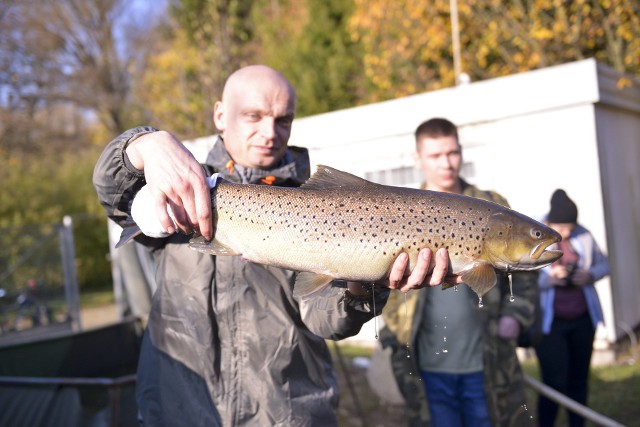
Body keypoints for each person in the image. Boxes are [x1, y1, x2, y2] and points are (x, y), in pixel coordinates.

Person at [93, 65, 460, 426]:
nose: (270, 132)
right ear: (220, 115)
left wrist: (366, 284)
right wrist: (145, 143)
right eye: (254, 116)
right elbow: (111, 190)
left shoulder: (327, 205)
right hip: (179, 410)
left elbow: (323, 317)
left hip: (286, 415)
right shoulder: (181, 186)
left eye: (283, 120)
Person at [381, 117, 539, 427]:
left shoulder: (493, 206)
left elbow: (526, 273)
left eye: (452, 153)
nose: (446, 163)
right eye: (436, 155)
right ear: (418, 158)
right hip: (425, 362)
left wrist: (515, 315)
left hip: (487, 359)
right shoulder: (402, 208)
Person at [534, 189, 609, 427]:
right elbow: (517, 274)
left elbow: (604, 264)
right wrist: (549, 280)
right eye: (561, 227)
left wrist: (589, 275)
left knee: (579, 380)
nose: (565, 233)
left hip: (582, 319)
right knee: (554, 381)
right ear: (549, 222)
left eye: (569, 228)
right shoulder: (531, 232)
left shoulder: (583, 234)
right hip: (550, 323)